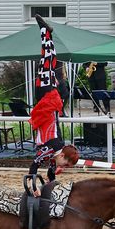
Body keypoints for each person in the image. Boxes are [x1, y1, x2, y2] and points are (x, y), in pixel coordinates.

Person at [28, 14, 79, 196]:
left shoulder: (54, 152)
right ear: (63, 156)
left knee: (49, 62)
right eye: (65, 164)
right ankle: (44, 31)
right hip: (47, 101)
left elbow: (50, 169)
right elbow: (34, 165)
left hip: (48, 102)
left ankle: (46, 32)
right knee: (47, 62)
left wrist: (52, 183)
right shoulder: (51, 148)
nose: (63, 167)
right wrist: (34, 188)